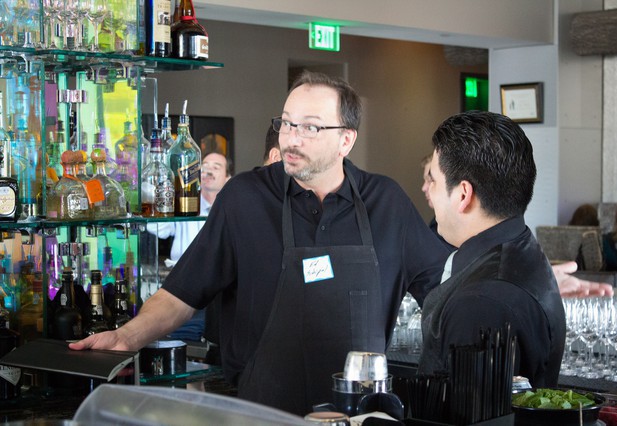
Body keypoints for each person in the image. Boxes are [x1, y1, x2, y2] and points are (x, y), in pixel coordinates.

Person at [70, 71, 450, 415]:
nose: (291, 139)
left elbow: (445, 290)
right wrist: (125, 337)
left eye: (310, 128)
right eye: (286, 123)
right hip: (264, 413)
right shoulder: (245, 198)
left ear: (345, 140)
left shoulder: (386, 201)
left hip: (361, 416)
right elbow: (181, 295)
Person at [417, 111, 566, 388]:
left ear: (463, 194)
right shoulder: (521, 244)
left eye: (433, 181)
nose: (429, 192)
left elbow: (466, 414)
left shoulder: (479, 301)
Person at [421, 153, 613, 298]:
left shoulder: (499, 238)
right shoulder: (434, 233)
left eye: (432, 180)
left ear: (463, 191)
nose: (425, 188)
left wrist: (531, 283)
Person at [146, 152, 232, 341]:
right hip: (185, 290)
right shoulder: (184, 204)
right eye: (204, 166)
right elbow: (154, 226)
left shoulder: (233, 209)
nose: (207, 170)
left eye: (216, 167)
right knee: (180, 340)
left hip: (220, 295)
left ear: (228, 178)